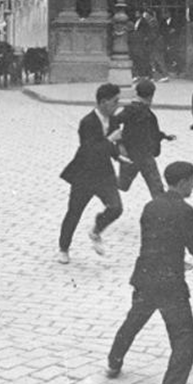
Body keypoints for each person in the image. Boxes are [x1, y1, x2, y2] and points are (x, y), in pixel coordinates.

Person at [106, 161, 193, 384]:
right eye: (192, 180)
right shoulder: (185, 211)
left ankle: (114, 362)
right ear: (183, 182)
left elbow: (154, 240)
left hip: (145, 275)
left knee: (133, 321)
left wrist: (177, 257)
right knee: (184, 336)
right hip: (170, 283)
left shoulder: (151, 205)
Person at [57, 83, 125, 264]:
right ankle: (63, 248)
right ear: (103, 102)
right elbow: (90, 150)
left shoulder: (114, 120)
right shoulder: (87, 122)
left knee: (116, 207)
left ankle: (96, 230)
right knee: (74, 212)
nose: (117, 105)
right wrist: (111, 140)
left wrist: (118, 157)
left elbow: (111, 148)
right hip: (84, 173)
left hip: (104, 173)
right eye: (115, 101)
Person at [115, 80, 176, 198]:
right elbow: (114, 123)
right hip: (132, 154)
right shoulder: (132, 109)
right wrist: (120, 142)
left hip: (144, 155)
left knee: (156, 186)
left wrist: (163, 136)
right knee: (123, 185)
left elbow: (150, 131)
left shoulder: (143, 109)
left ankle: (161, 209)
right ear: (151, 96)